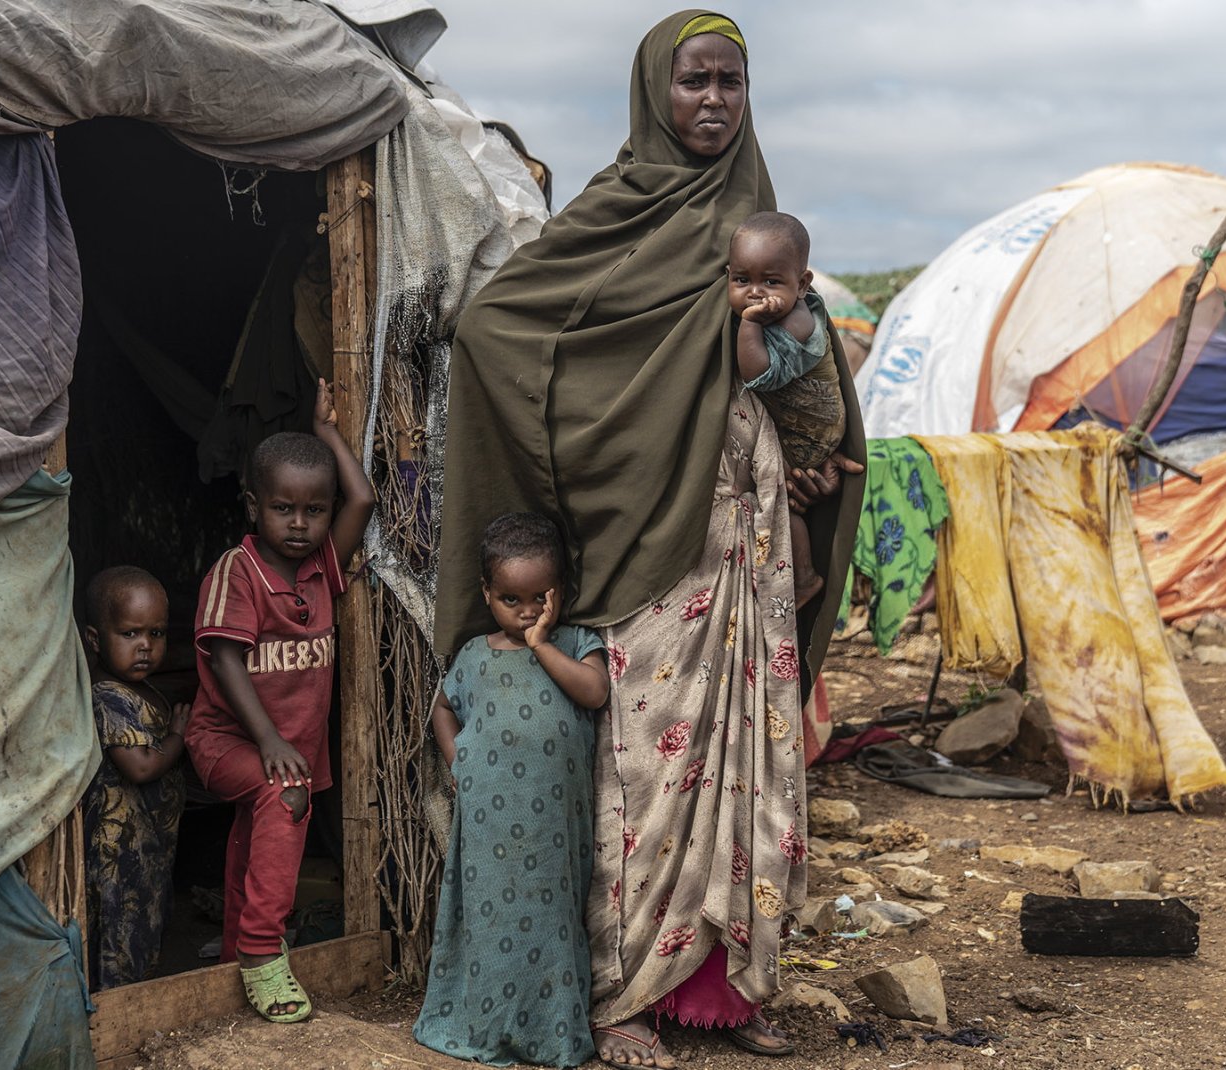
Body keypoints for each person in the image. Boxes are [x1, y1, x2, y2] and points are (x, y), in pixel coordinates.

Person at [433, 11, 865, 1067]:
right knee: (646, 767)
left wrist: (800, 392)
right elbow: (502, 331)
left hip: (749, 535)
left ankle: (727, 990)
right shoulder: (613, 213)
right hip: (649, 536)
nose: (715, 99)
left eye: (732, 81)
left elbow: (812, 372)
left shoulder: (761, 222)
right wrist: (622, 441)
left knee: (750, 758)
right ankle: (622, 994)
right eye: (694, 81)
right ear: (653, 94)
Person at [185, 379, 375, 1023]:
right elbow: (225, 657)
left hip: (280, 742)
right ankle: (265, 953)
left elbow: (365, 496)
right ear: (252, 507)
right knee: (281, 798)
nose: (299, 523)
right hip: (226, 740)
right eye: (283, 509)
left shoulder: (322, 566)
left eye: (313, 510)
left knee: (253, 834)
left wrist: (326, 435)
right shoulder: (236, 573)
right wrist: (268, 741)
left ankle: (235, 953)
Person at [414, 512, 610, 1067]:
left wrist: (543, 643)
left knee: (551, 923)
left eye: (539, 599)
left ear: (561, 592)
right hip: (488, 826)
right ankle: (486, 1026)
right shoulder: (475, 655)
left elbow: (594, 693)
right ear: (486, 593)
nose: (526, 612)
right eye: (510, 600)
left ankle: (553, 1035)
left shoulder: (575, 642)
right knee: (491, 921)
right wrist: (460, 764)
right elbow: (442, 709)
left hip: (553, 829)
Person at [729, 210, 846, 607]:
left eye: (772, 282)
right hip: (809, 424)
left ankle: (805, 577)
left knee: (777, 495)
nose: (756, 293)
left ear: (803, 283)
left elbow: (758, 374)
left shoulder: (795, 322)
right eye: (742, 280)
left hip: (807, 431)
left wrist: (748, 325)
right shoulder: (788, 307)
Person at [80, 565, 188, 990]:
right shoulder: (107, 696)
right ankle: (116, 1010)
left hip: (148, 845)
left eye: (156, 634)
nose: (145, 646)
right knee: (120, 931)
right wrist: (179, 737)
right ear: (95, 640)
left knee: (146, 920)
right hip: (117, 852)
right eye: (129, 635)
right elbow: (140, 766)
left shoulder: (144, 689)